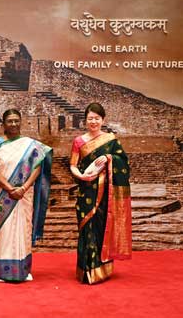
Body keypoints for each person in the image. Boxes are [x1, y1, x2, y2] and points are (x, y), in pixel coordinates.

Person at [0, 109, 52, 282]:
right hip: (3, 195)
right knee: (4, 232)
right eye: (10, 121)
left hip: (24, 196)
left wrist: (23, 188)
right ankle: (2, 272)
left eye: (17, 121)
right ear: (3, 124)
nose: (14, 124)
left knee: (23, 230)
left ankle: (24, 270)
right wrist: (10, 188)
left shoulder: (30, 145)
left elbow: (38, 166)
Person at [69, 102, 132, 284]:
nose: (93, 122)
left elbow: (124, 163)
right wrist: (81, 175)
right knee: (87, 228)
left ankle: (101, 269)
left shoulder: (111, 140)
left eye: (97, 118)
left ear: (103, 120)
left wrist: (108, 157)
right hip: (86, 191)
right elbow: (73, 165)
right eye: (90, 118)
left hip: (106, 195)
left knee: (101, 228)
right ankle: (87, 271)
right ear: (85, 120)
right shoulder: (79, 142)